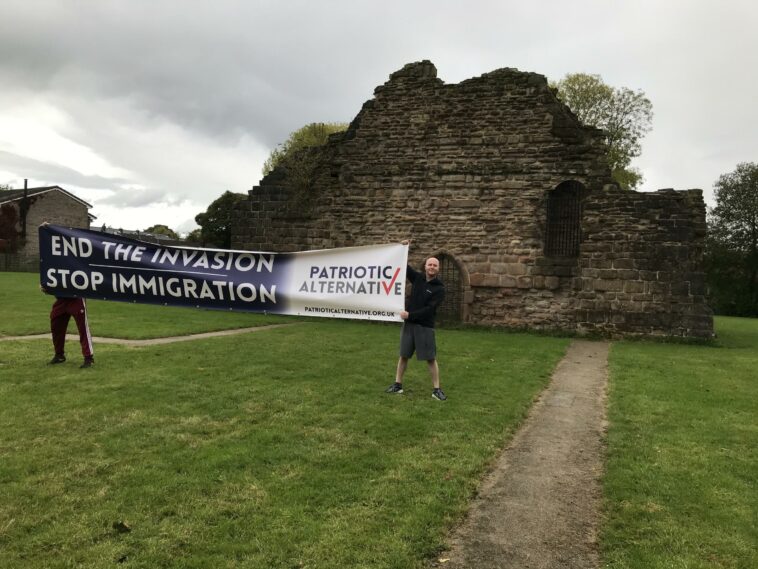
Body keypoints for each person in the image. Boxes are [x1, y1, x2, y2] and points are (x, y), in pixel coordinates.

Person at [386, 248, 447, 400]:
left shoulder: (439, 288)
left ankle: (437, 390)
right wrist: (402, 248)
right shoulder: (418, 278)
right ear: (425, 267)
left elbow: (429, 310)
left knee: (430, 358)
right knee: (403, 355)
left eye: (435, 265)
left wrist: (410, 315)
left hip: (425, 327)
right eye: (429, 265)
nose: (432, 267)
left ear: (438, 269)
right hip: (409, 326)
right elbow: (404, 266)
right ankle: (398, 385)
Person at [42, 288, 95, 369]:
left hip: (76, 298)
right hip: (61, 299)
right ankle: (59, 355)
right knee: (56, 324)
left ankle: (88, 358)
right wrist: (46, 286)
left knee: (83, 328)